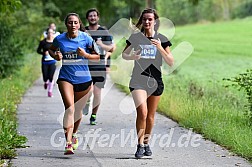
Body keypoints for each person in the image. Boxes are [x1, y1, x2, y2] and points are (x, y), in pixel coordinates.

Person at [122, 8, 174, 158]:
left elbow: (170, 62)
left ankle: (146, 143)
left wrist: (160, 48)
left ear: (155, 21)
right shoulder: (136, 37)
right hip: (138, 79)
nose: (147, 22)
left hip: (155, 81)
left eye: (150, 19)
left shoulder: (162, 39)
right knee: (142, 113)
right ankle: (139, 145)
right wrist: (133, 57)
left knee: (150, 116)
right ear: (142, 20)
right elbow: (124, 54)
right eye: (144, 19)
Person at [48, 13, 100, 155]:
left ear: (79, 24)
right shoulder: (60, 39)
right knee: (70, 109)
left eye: (75, 22)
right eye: (70, 22)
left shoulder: (86, 38)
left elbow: (98, 56)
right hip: (66, 78)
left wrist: (86, 55)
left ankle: (74, 134)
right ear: (66, 24)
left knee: (77, 112)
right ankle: (68, 143)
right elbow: (51, 49)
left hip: (84, 79)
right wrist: (55, 56)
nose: (73, 25)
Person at [84, 8, 116, 125]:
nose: (92, 18)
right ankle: (87, 102)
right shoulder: (83, 31)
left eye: (94, 16)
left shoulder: (104, 32)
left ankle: (93, 115)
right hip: (85, 66)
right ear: (87, 18)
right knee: (88, 92)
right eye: (90, 16)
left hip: (99, 66)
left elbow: (111, 48)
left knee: (97, 93)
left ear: (98, 17)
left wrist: (101, 44)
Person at [37, 28, 57, 97]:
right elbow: (38, 50)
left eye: (51, 33)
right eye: (49, 32)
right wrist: (43, 53)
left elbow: (59, 50)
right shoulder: (43, 42)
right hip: (45, 62)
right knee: (45, 77)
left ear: (53, 33)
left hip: (52, 61)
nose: (50, 34)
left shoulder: (55, 42)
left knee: (51, 77)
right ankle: (46, 82)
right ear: (47, 33)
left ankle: (50, 91)